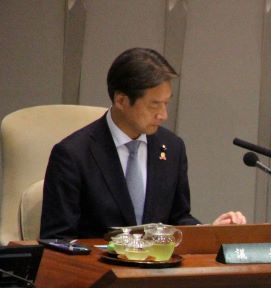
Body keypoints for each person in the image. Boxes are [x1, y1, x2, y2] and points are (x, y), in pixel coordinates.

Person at [39, 47, 245, 239]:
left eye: (166, 103)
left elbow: (177, 219)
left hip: (157, 273)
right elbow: (58, 239)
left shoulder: (172, 147)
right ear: (121, 101)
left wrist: (208, 232)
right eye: (154, 105)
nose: (163, 115)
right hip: (98, 272)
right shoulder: (73, 154)